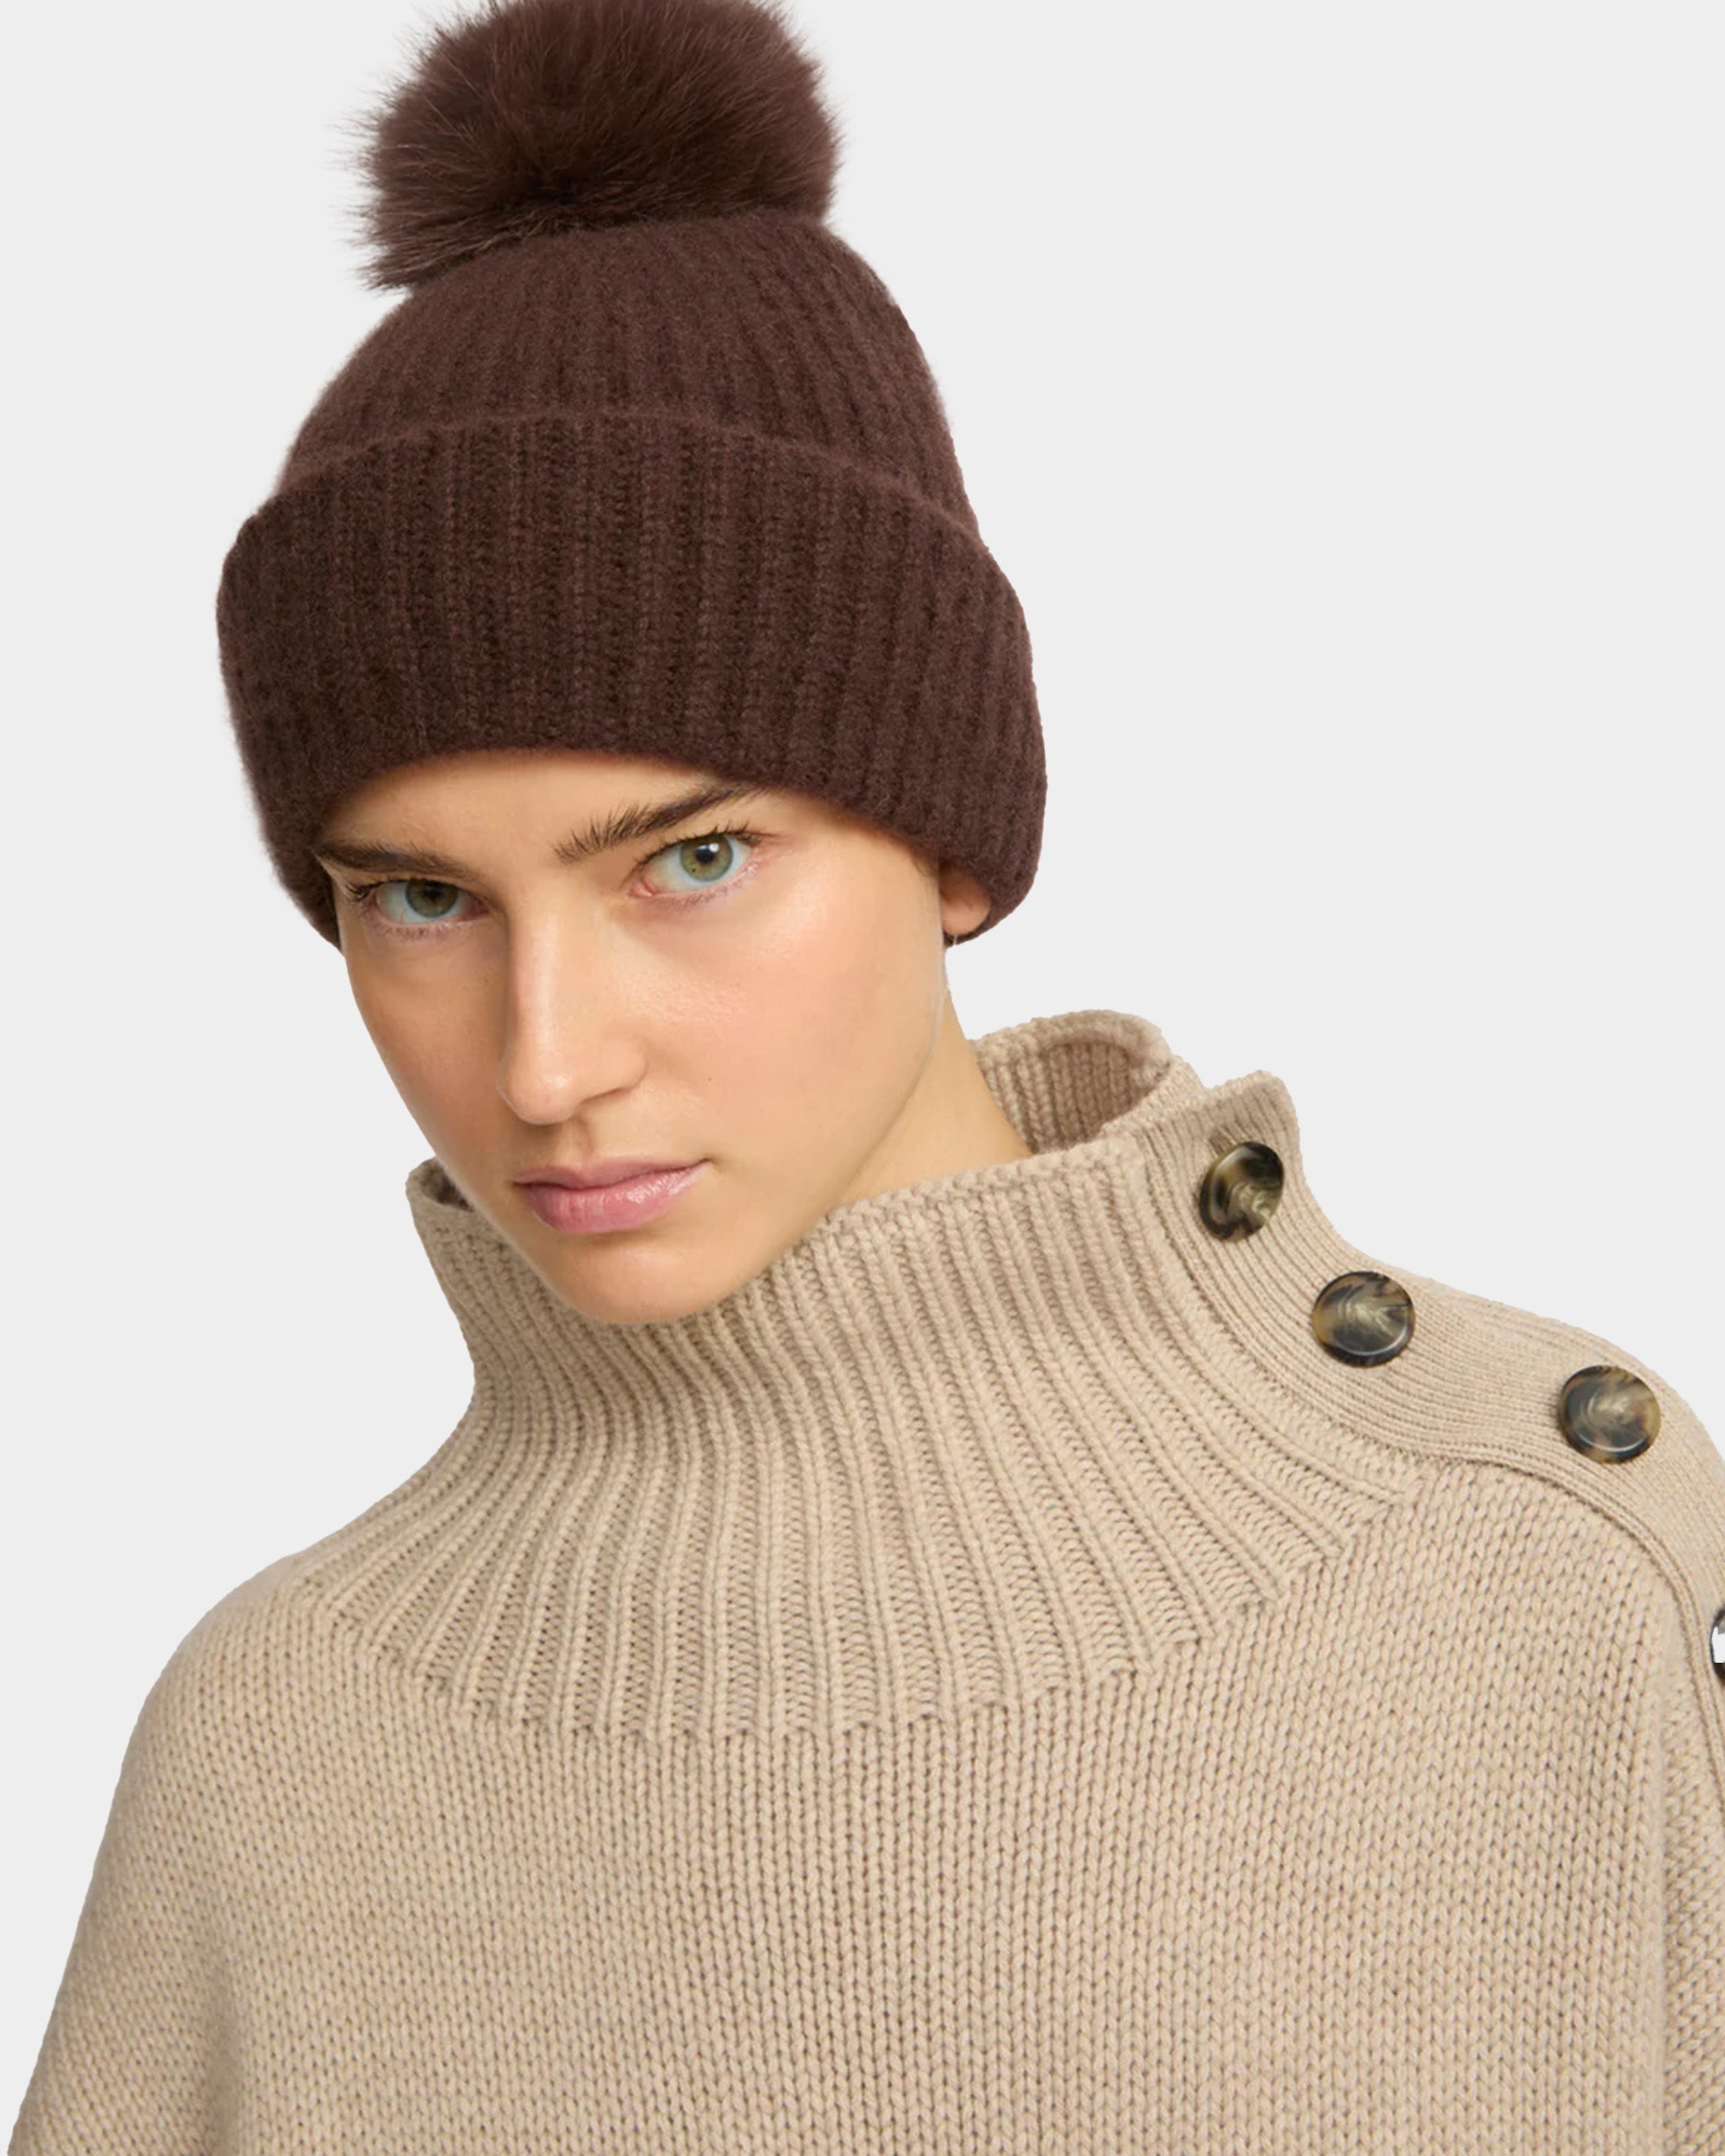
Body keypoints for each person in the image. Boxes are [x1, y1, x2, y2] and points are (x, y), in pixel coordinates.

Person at [11, 0, 1724, 2149]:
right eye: (421, 898)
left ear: (953, 840)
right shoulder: (278, 1751)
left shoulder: (1536, 1580)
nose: (546, 1060)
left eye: (693, 859)